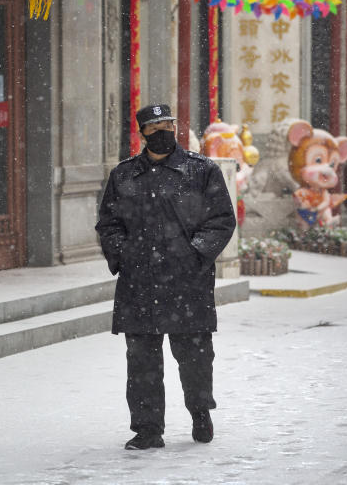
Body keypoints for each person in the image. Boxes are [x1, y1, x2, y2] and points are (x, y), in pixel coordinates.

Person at [95, 104, 236, 450]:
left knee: (195, 358)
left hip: (188, 283)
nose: (164, 130)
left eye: (168, 123)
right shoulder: (124, 175)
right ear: (141, 132)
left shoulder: (201, 171)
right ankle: (147, 429)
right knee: (141, 362)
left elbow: (221, 219)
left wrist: (194, 253)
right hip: (138, 284)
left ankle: (200, 412)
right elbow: (108, 223)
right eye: (155, 125)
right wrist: (124, 255)